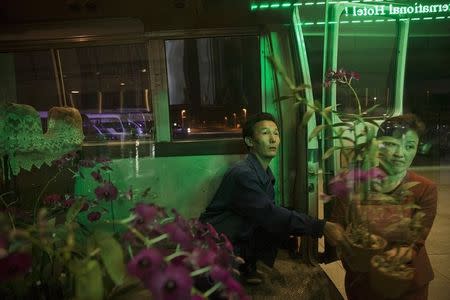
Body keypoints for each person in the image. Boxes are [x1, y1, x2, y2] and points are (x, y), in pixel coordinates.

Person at [199, 112, 346, 283]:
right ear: (249, 141)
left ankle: (248, 267)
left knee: (280, 222)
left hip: (235, 234)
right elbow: (269, 214)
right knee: (276, 220)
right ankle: (230, 271)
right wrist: (321, 227)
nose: (273, 139)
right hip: (215, 244)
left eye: (276, 133)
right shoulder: (243, 174)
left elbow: (269, 213)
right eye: (265, 133)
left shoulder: (264, 172)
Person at [329, 114, 437, 300]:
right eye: (393, 144)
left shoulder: (424, 189)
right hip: (362, 282)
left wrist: (392, 257)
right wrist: (343, 240)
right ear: (378, 145)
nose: (400, 154)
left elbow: (416, 242)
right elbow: (335, 226)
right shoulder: (354, 183)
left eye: (409, 146)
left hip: (406, 283)